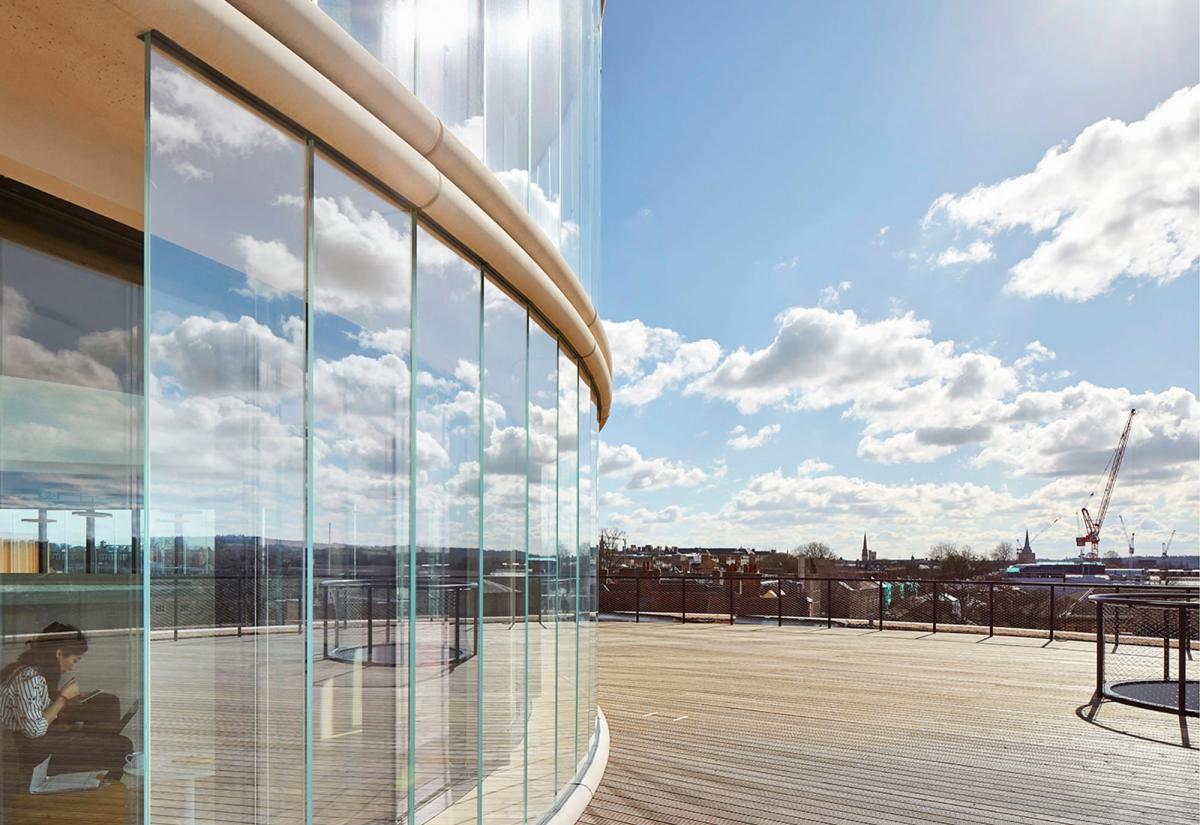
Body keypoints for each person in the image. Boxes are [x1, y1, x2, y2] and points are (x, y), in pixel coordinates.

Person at [0, 622, 132, 787]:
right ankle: (103, 762)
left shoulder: (31, 673)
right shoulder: (29, 678)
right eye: (74, 660)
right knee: (122, 745)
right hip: (28, 748)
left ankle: (100, 746)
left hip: (32, 739)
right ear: (59, 653)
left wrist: (66, 699)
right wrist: (63, 698)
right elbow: (33, 730)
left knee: (108, 701)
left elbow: (37, 706)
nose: (71, 668)